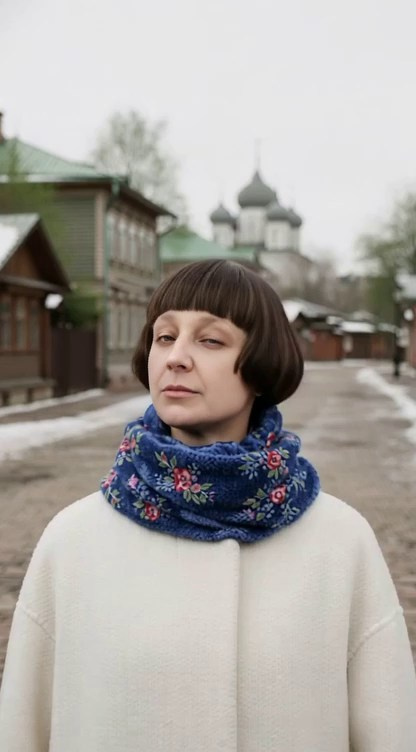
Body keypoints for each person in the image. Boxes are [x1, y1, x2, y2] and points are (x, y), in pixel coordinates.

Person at [0, 259, 415, 751]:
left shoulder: (341, 543)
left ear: (261, 366)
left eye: (211, 340)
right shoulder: (73, 541)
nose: (176, 357)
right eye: (164, 337)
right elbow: (21, 731)